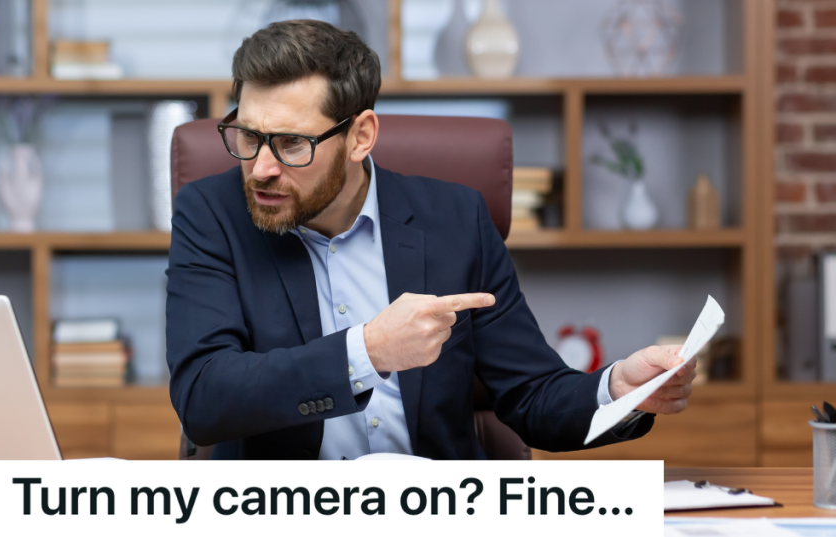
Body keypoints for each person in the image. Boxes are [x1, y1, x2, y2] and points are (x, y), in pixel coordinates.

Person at [165, 20, 696, 460]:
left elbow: (532, 395)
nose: (260, 169)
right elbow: (204, 398)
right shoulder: (212, 214)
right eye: (248, 136)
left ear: (361, 136)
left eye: (289, 144)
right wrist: (366, 352)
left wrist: (619, 390)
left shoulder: (455, 218)